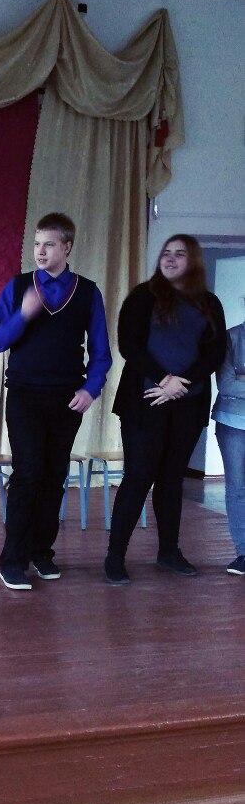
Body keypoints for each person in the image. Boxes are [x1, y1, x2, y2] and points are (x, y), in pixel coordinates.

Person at [0, 212, 112, 590]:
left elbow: (101, 351)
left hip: (66, 400)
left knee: (55, 476)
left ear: (67, 247)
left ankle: (41, 552)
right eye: (37, 244)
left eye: (49, 245)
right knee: (27, 474)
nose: (40, 252)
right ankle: (12, 559)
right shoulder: (18, 287)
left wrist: (90, 389)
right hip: (24, 395)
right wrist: (23, 315)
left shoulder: (87, 292)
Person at [104, 235, 227, 584]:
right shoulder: (143, 296)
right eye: (166, 253)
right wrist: (164, 379)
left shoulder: (209, 303)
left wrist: (179, 384)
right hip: (144, 402)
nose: (170, 259)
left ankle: (169, 552)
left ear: (194, 260)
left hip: (187, 403)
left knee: (172, 479)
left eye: (179, 254)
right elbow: (129, 345)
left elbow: (215, 352)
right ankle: (115, 557)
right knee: (139, 476)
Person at [211, 306, 245, 577]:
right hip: (233, 422)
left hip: (234, 411)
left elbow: (236, 384)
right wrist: (236, 379)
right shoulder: (231, 338)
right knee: (237, 487)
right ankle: (243, 552)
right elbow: (226, 384)